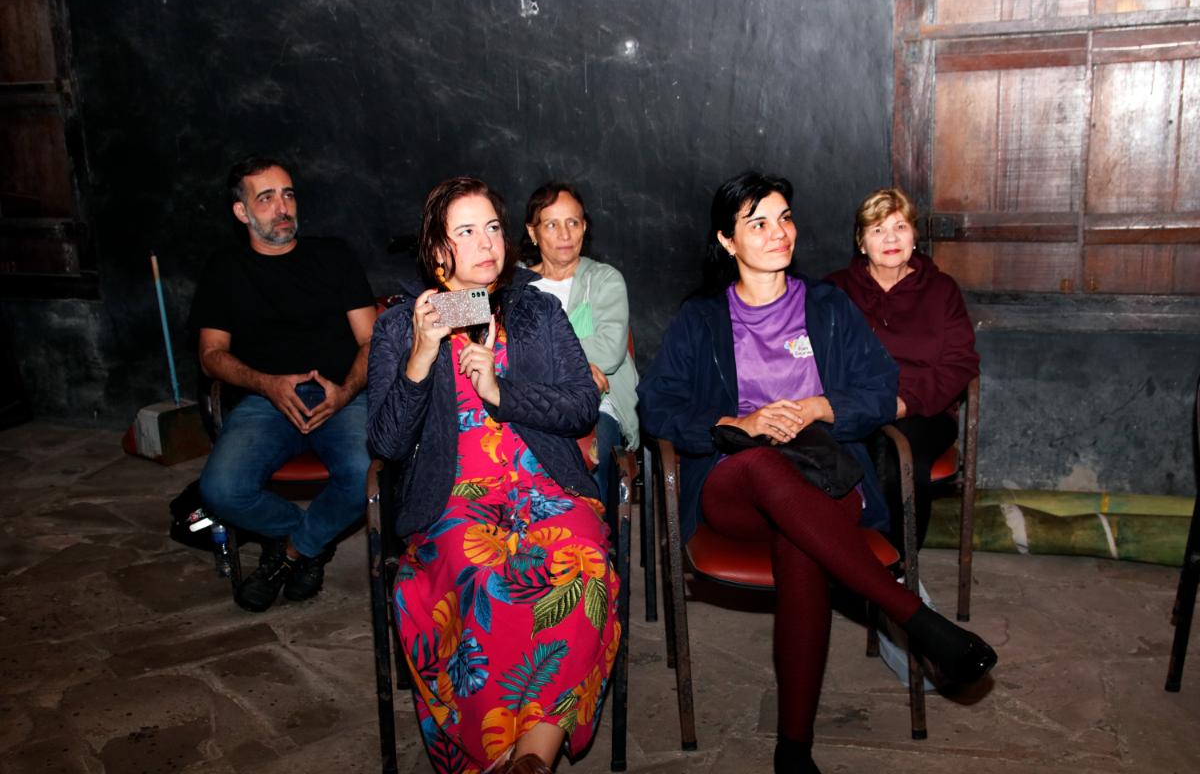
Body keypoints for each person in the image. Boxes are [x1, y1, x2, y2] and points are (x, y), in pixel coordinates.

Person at [637, 171, 996, 774]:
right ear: (726, 240)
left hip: (825, 474)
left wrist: (820, 408)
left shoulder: (827, 307)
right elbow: (656, 406)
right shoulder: (701, 319)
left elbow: (881, 388)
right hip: (736, 481)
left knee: (801, 543)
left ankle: (794, 752)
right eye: (758, 223)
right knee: (762, 463)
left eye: (784, 218)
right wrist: (739, 422)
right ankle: (916, 618)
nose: (778, 233)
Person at [367, 177, 620, 774]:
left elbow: (582, 405)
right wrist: (422, 356)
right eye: (466, 231)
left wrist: (502, 393)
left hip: (545, 486)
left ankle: (526, 760)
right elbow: (385, 443)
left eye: (493, 228)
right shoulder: (401, 326)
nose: (486, 243)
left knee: (584, 566)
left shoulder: (536, 310)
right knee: (481, 576)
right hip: (456, 496)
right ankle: (513, 755)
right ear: (438, 251)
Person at [191, 156, 375, 612]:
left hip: (341, 396)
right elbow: (210, 355)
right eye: (267, 198)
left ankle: (291, 553)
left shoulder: (333, 256)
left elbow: (372, 340)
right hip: (264, 401)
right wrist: (266, 384)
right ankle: (307, 541)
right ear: (242, 212)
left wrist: (345, 393)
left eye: (288, 195)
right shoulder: (224, 269)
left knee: (364, 478)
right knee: (221, 490)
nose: (282, 207)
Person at [827, 187, 980, 550]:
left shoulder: (941, 290)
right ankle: (843, 559)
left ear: (914, 236)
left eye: (900, 227)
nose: (891, 238)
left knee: (897, 455)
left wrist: (904, 403)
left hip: (923, 409)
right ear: (861, 242)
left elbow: (961, 363)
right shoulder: (834, 291)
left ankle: (893, 566)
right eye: (878, 229)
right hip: (854, 406)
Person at [523, 181, 639, 509]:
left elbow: (609, 351)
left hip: (600, 401)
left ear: (584, 228)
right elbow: (507, 353)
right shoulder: (517, 286)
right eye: (551, 224)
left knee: (594, 449)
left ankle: (599, 535)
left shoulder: (604, 280)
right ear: (533, 232)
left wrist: (542, 359)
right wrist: (573, 367)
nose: (564, 234)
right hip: (532, 402)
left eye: (572, 222)